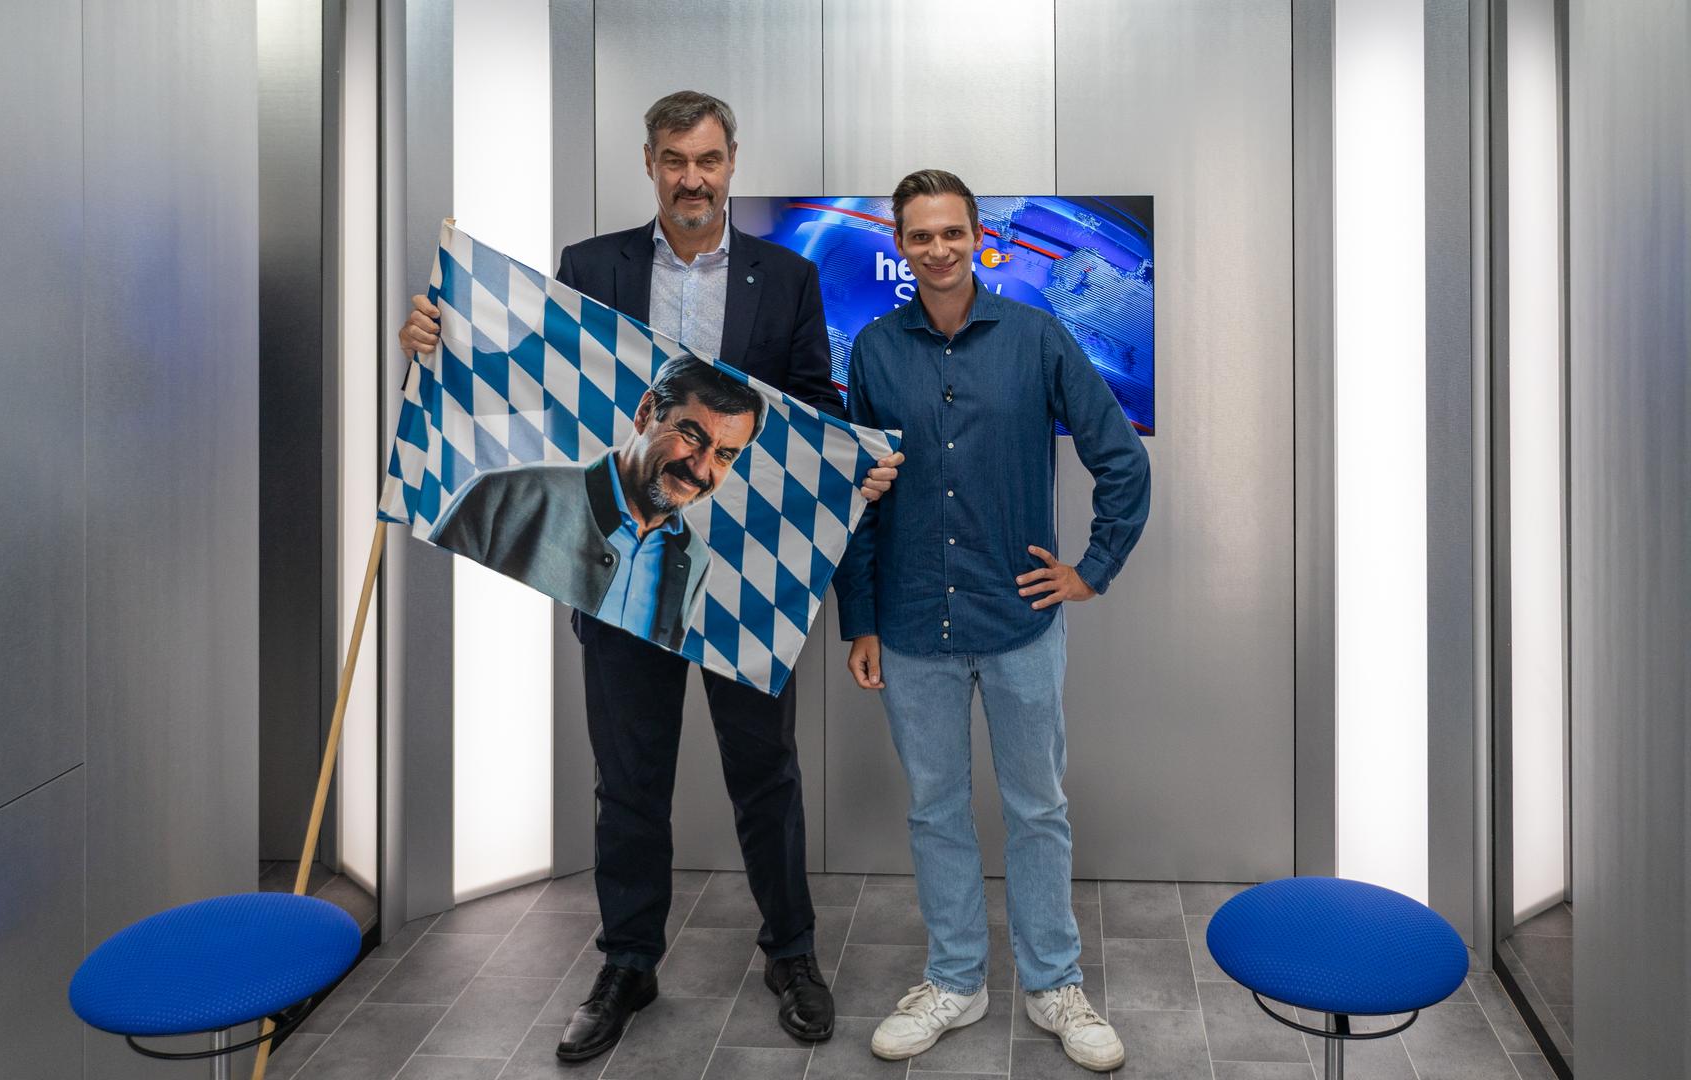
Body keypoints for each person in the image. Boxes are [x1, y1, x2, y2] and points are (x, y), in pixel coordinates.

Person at [399, 90, 904, 1060]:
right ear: (649, 163)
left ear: (732, 161)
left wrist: (854, 464)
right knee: (629, 783)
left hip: (747, 576)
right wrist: (439, 345)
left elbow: (809, 411)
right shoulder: (594, 268)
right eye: (675, 159)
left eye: (708, 159)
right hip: (617, 563)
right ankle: (628, 961)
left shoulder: (787, 278)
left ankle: (790, 952)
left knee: (767, 774)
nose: (693, 178)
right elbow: (532, 387)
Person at [833, 169, 1150, 1071]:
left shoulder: (1037, 338)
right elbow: (856, 499)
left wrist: (1091, 572)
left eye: (952, 233)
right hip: (907, 624)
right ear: (900, 244)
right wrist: (859, 618)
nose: (937, 249)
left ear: (982, 239)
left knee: (1037, 809)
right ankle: (956, 980)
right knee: (935, 812)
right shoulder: (874, 352)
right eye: (919, 236)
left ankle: (1055, 985)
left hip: (1019, 625)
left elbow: (1122, 463)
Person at [430, 353, 762, 651]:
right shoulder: (500, 498)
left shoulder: (695, 559)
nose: (701, 468)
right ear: (646, 412)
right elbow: (432, 615)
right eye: (691, 435)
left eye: (724, 455)